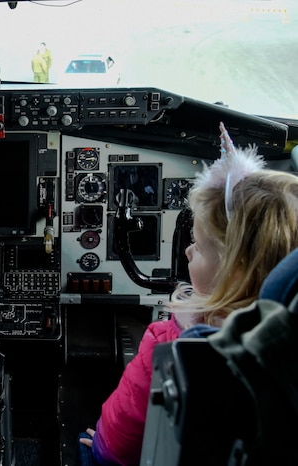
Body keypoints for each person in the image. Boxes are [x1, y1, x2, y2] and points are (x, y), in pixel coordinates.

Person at [79, 122, 298, 466]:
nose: (187, 252)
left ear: (234, 269)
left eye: (197, 245)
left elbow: (120, 441)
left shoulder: (171, 343)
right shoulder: (285, 353)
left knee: (87, 444)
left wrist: (100, 447)